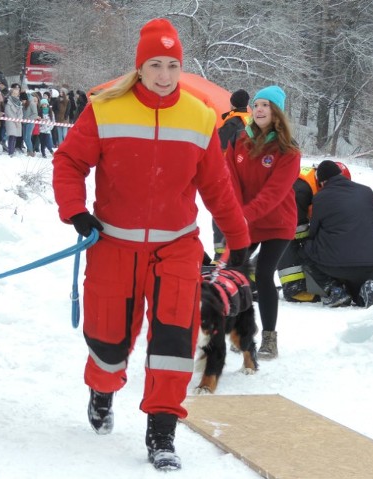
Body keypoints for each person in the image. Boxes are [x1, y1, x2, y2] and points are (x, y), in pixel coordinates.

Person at [51, 18, 250, 471]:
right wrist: (75, 211)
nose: (164, 74)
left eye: (173, 65)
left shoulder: (201, 118)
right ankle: (102, 390)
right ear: (140, 68)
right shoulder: (105, 109)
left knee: (173, 342)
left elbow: (218, 187)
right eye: (155, 64)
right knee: (108, 340)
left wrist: (238, 239)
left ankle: (162, 431)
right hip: (113, 245)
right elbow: (69, 162)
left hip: (176, 249)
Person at [224, 85, 300, 360]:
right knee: (236, 272)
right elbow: (228, 177)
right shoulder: (237, 140)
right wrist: (234, 213)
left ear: (276, 112)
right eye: (256, 104)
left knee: (265, 273)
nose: (259, 109)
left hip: (277, 222)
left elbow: (275, 192)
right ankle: (242, 331)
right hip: (245, 219)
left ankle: (269, 338)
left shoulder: (288, 150)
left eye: (266, 105)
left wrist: (245, 215)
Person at [302, 160, 373, 307]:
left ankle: (334, 290)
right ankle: (369, 286)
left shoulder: (320, 197)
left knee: (306, 248)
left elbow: (313, 232)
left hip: (336, 265)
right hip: (371, 264)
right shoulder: (366, 192)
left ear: (322, 181)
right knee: (358, 297)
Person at [276, 161, 351, 302]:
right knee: (290, 242)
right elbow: (294, 226)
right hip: (279, 218)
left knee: (276, 251)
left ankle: (252, 278)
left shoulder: (313, 182)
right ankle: (293, 289)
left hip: (281, 212)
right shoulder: (302, 190)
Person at [211, 88, 252, 258]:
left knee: (221, 212)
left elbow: (216, 145)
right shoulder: (250, 121)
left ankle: (220, 256)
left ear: (232, 103)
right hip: (245, 173)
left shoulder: (232, 122)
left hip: (228, 174)